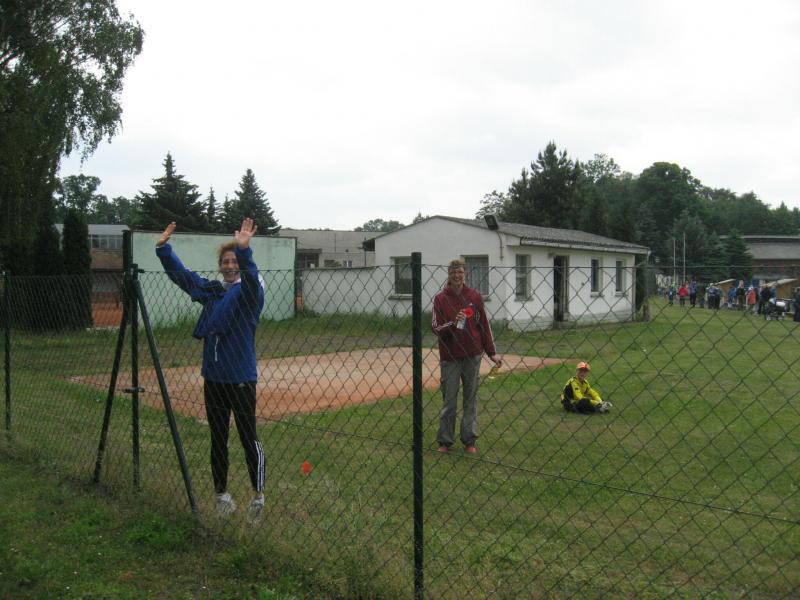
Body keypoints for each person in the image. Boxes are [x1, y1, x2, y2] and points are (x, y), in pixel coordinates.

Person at [155, 219, 266, 520]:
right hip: (214, 379)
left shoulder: (249, 294)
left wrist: (244, 251)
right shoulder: (214, 292)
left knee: (248, 437)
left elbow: (251, 280)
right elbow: (186, 279)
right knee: (218, 438)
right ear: (220, 266)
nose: (230, 266)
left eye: (234, 262)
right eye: (225, 262)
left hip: (241, 378)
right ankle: (221, 496)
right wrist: (164, 250)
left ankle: (258, 497)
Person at [432, 259, 502, 454]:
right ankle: (445, 441)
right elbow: (436, 327)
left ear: (465, 274)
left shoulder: (474, 296)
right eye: (453, 272)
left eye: (460, 272)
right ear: (449, 275)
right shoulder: (440, 299)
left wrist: (491, 353)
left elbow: (484, 325)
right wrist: (453, 324)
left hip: (472, 355)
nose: (457, 276)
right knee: (449, 400)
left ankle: (469, 440)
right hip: (450, 357)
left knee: (470, 399)